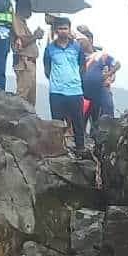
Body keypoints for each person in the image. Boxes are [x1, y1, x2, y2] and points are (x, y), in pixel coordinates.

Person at [43, 17, 86, 154]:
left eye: (65, 28)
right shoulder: (50, 48)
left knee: (78, 122)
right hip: (56, 91)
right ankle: (58, 149)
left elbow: (82, 66)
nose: (63, 31)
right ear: (56, 30)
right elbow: (47, 68)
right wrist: (57, 80)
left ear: (69, 29)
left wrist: (74, 78)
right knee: (57, 123)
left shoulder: (77, 47)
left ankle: (80, 148)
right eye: (60, 28)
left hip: (75, 90)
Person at [79, 36, 119, 140]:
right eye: (77, 41)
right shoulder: (78, 56)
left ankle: (107, 137)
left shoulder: (101, 55)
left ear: (90, 40)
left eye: (81, 40)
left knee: (106, 111)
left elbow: (116, 64)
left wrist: (108, 76)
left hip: (100, 90)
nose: (79, 43)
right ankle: (81, 141)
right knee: (83, 117)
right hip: (84, 92)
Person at [11, 0, 44, 106]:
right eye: (29, 9)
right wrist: (35, 36)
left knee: (30, 99)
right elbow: (22, 41)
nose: (31, 12)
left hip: (30, 63)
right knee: (22, 97)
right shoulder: (16, 20)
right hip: (24, 63)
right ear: (22, 8)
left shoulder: (22, 22)